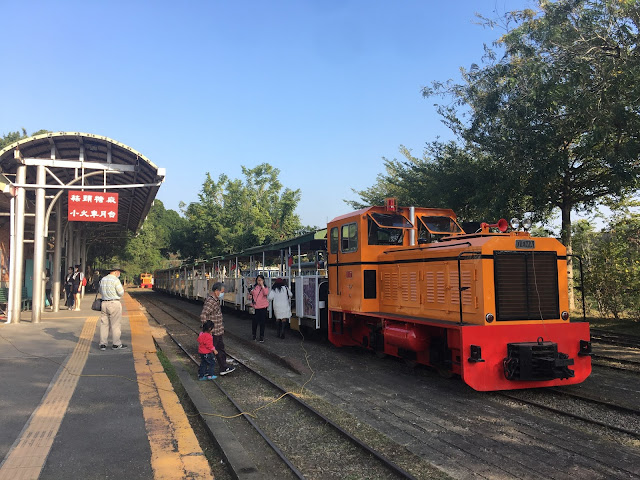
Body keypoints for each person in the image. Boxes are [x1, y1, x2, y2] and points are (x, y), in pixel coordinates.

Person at [200, 282, 235, 375]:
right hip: (214, 332)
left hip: (218, 330)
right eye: (222, 292)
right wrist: (208, 331)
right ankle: (206, 370)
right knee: (210, 351)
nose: (222, 294)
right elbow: (204, 315)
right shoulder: (211, 301)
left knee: (220, 349)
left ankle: (223, 367)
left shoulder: (215, 300)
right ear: (216, 291)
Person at [98, 266, 126, 351]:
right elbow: (121, 293)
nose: (119, 274)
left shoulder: (103, 279)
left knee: (104, 324)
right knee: (115, 324)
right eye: (119, 272)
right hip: (114, 303)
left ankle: (103, 344)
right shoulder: (115, 280)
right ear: (116, 272)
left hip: (104, 303)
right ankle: (116, 344)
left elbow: (100, 291)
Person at [249, 274, 269, 342]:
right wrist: (250, 296)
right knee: (254, 322)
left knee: (262, 322)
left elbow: (266, 293)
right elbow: (251, 294)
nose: (259, 281)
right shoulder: (254, 287)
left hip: (263, 307)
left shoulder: (265, 287)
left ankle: (261, 336)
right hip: (255, 307)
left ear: (263, 280)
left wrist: (262, 285)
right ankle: (254, 335)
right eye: (258, 280)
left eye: (260, 280)